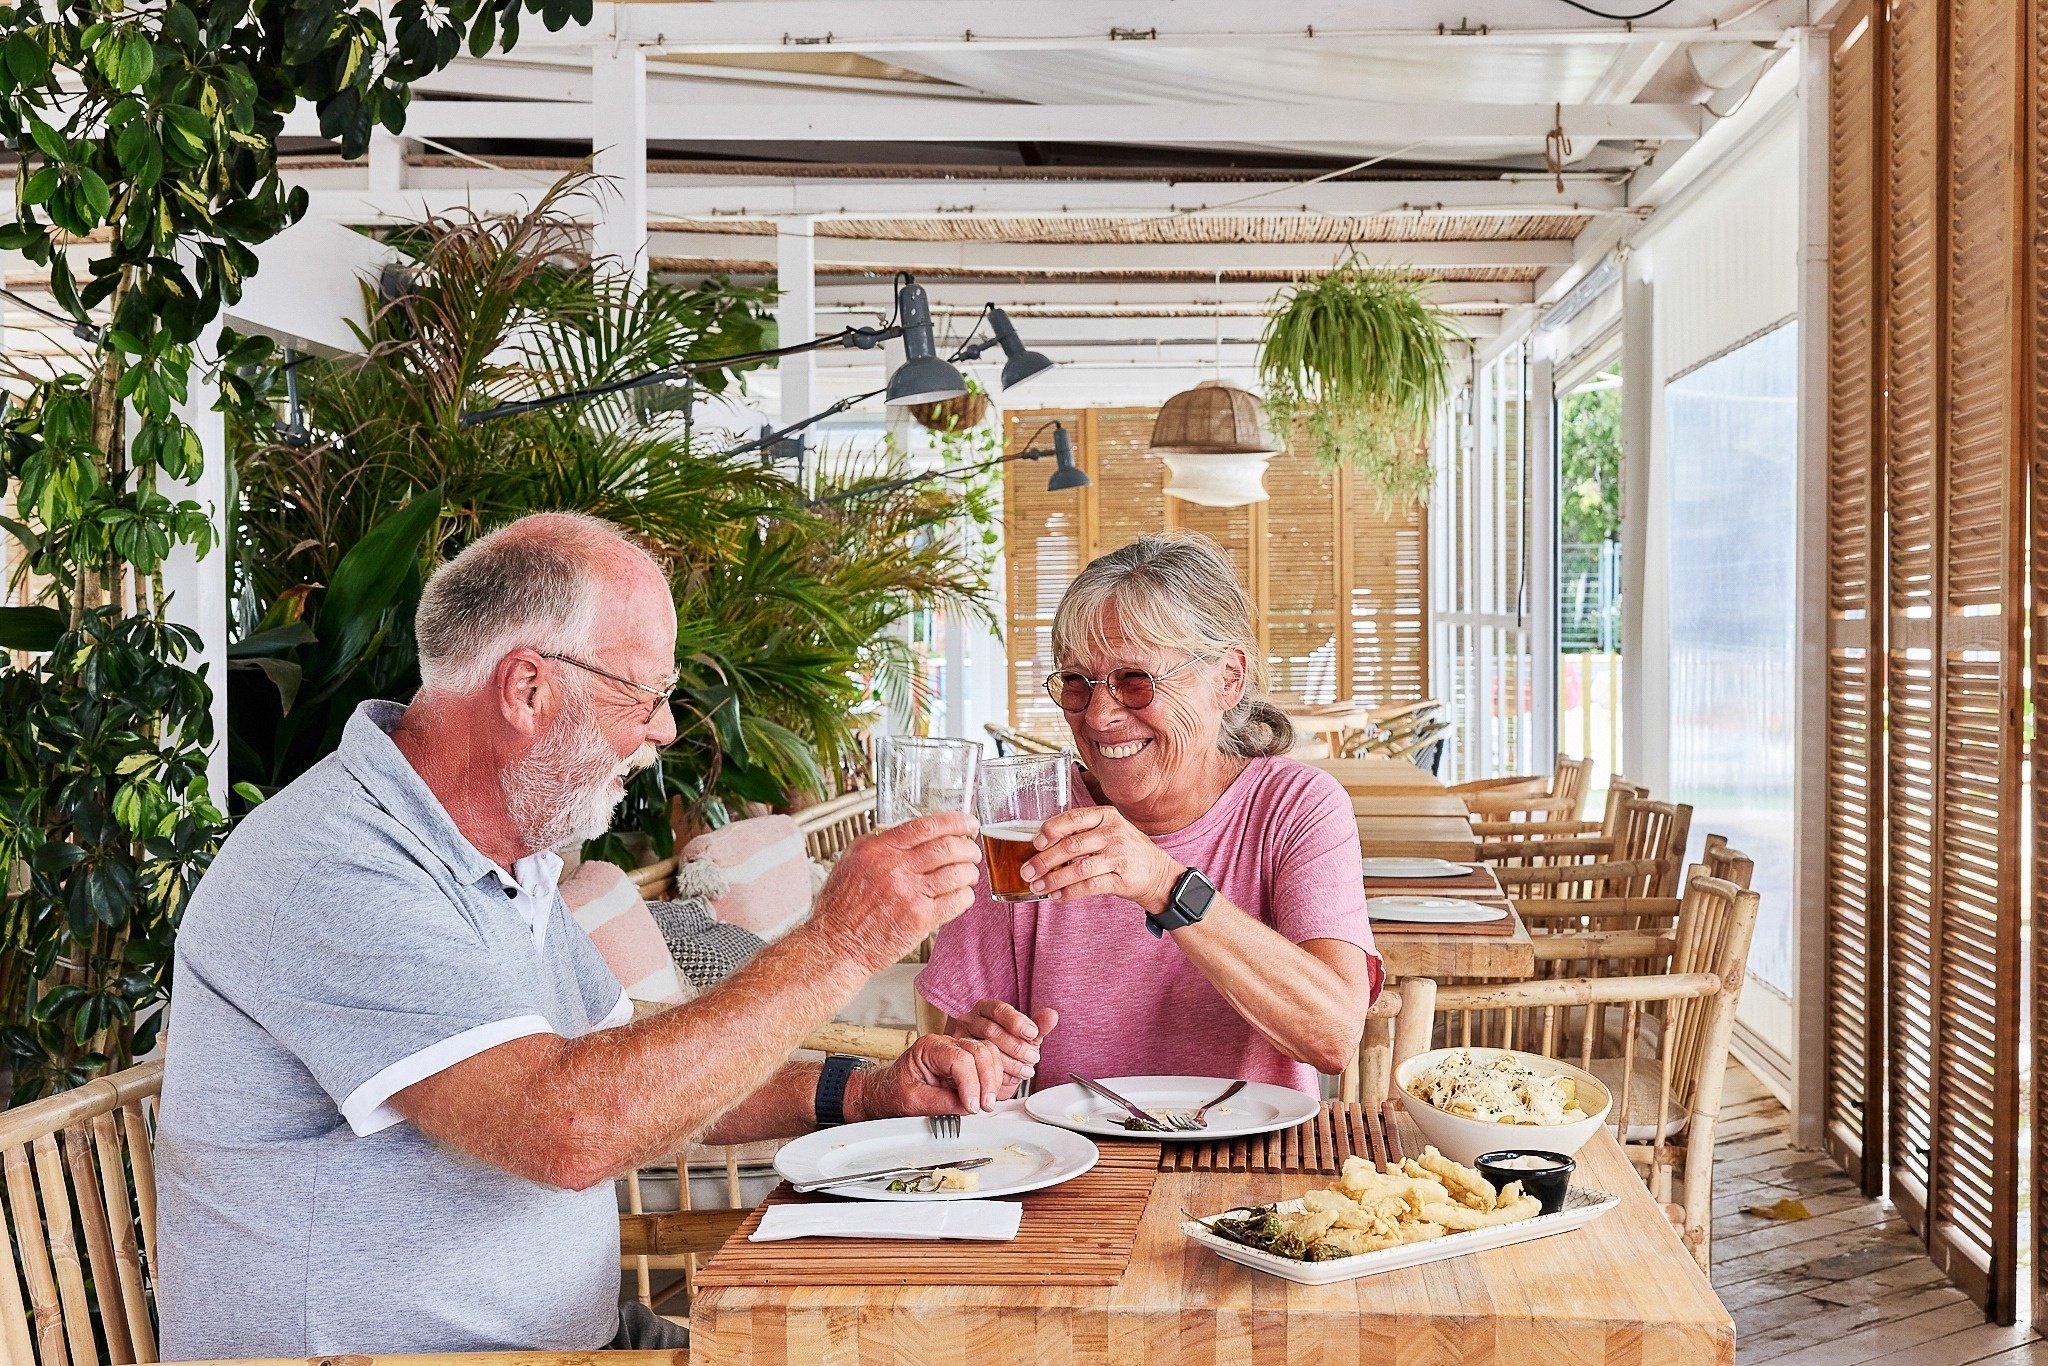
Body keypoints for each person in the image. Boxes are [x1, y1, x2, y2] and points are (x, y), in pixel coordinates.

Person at [155, 513, 998, 1356]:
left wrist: (858, 1095)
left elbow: (644, 1082)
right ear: (527, 689)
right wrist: (838, 946)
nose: (664, 729)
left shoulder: (501, 858)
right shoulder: (334, 867)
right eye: (645, 692)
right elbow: (572, 1129)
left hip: (576, 1342)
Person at [916, 532, 1382, 1099]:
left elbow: (1333, 1036)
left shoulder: (1295, 806)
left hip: (1253, 1150)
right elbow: (958, 1060)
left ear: (1229, 679)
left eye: (1134, 682)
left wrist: (1165, 885)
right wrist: (982, 1054)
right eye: (1077, 684)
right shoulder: (1021, 823)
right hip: (1075, 1148)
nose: (1098, 716)